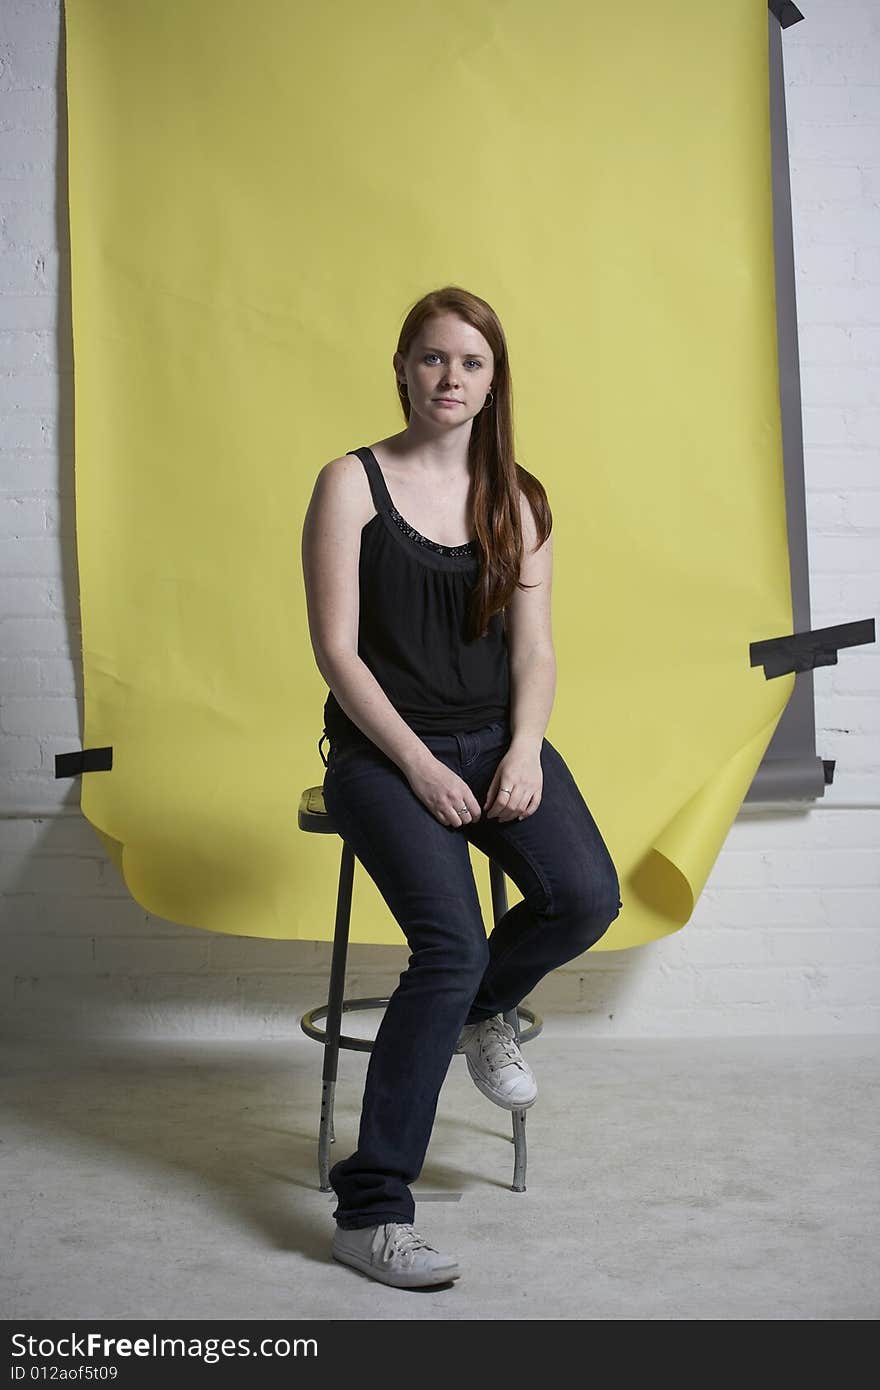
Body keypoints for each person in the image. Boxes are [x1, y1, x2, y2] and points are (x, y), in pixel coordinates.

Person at [300, 285, 622, 1290]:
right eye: (433, 358)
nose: (451, 378)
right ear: (402, 367)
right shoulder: (350, 483)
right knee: (450, 946)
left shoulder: (518, 498)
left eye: (471, 363)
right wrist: (417, 764)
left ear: (494, 380)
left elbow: (535, 652)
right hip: (380, 753)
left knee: (585, 897)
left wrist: (522, 750)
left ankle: (486, 1012)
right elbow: (336, 653)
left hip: (493, 739)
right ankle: (372, 1208)